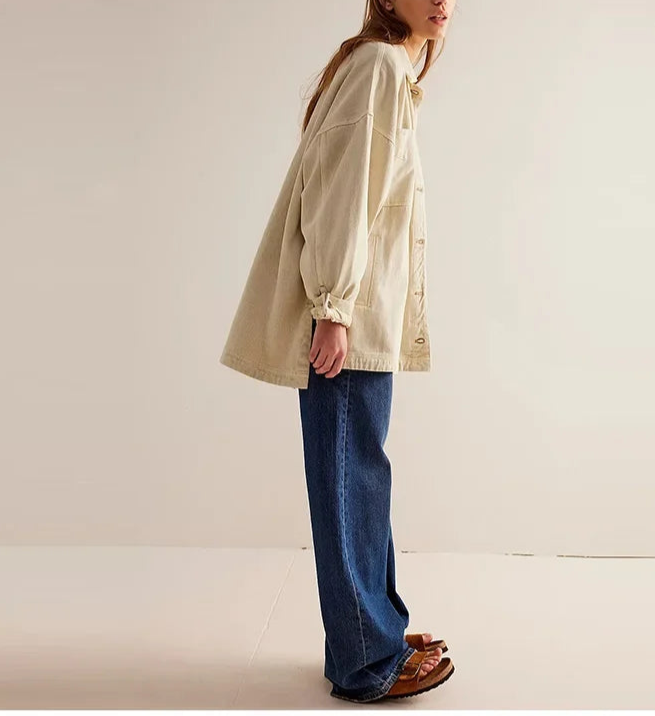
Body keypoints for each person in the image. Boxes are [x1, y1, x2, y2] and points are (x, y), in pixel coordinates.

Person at [219, 0, 456, 703]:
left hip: (359, 319)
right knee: (350, 478)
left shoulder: (384, 69)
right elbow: (343, 196)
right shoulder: (379, 65)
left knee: (359, 475)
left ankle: (374, 633)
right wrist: (333, 307)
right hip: (347, 320)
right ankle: (366, 660)